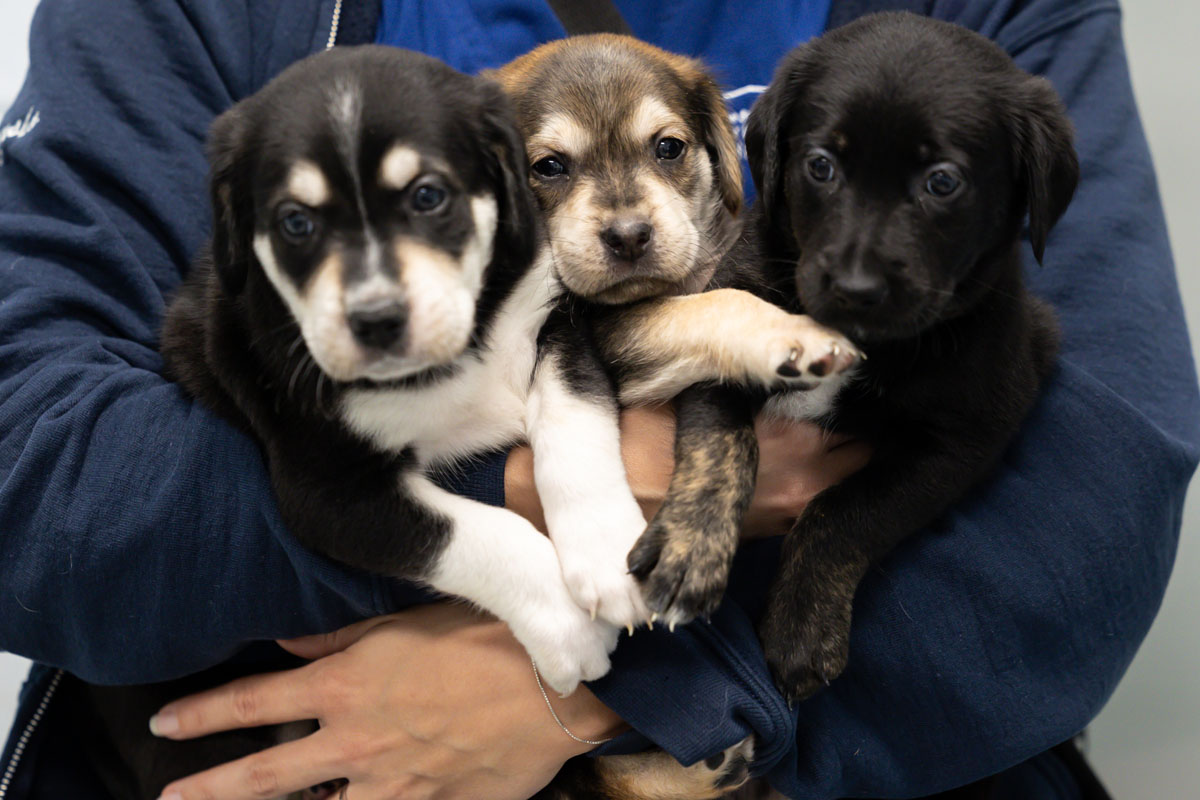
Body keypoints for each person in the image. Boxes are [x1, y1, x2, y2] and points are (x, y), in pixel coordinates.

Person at [0, 1, 1195, 798]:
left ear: (729, 160)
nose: (624, 218)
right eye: (552, 170)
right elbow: (33, 464)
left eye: (676, 154)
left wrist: (618, 692)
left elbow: (1103, 485)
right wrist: (540, 499)